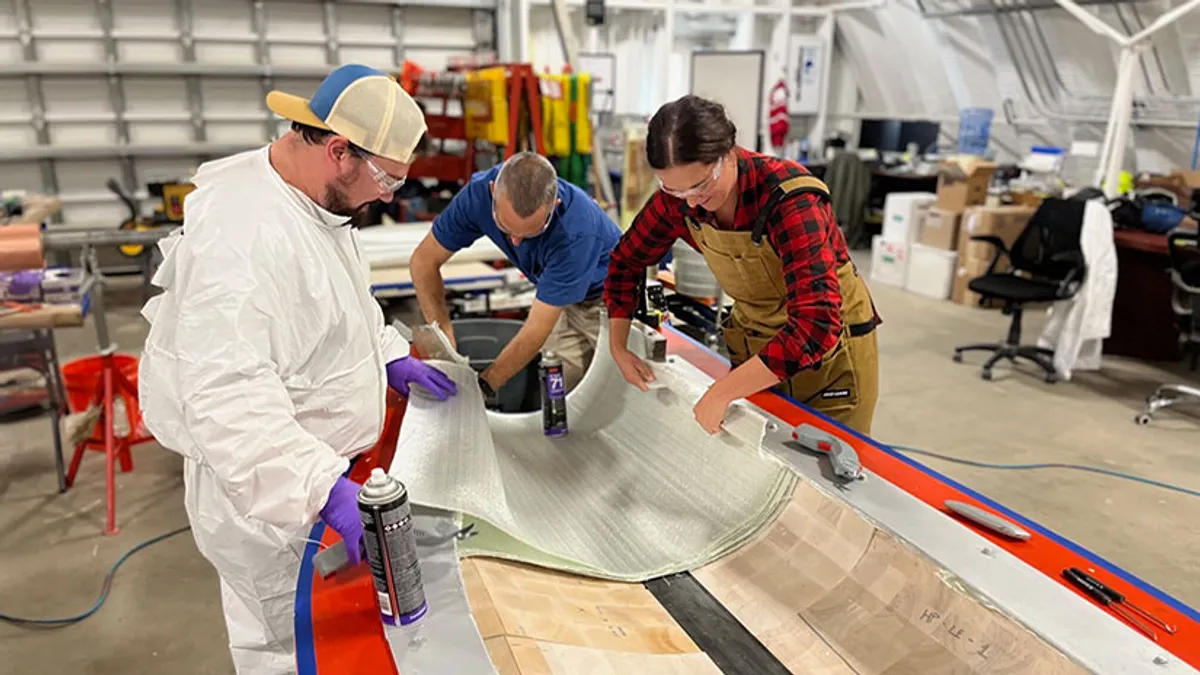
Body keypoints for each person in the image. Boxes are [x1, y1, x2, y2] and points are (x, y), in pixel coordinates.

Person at [138, 64, 457, 675]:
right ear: (339, 151)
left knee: (326, 637)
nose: (389, 195)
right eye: (387, 178)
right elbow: (227, 395)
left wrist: (387, 357)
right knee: (287, 646)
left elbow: (339, 302)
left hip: (307, 477)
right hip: (265, 503)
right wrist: (319, 487)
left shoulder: (311, 202)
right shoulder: (243, 237)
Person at [604, 95, 880, 436]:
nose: (691, 201)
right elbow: (625, 260)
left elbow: (815, 324)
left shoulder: (790, 198)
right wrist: (618, 346)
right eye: (674, 190)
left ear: (727, 152)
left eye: (701, 185)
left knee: (826, 472)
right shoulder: (679, 201)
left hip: (831, 359)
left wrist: (723, 390)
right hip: (761, 350)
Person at [410, 151, 621, 395]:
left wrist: (483, 387)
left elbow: (536, 329)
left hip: (612, 299)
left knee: (619, 388)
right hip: (565, 299)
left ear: (555, 205)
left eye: (532, 233)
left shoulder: (575, 232)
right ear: (492, 192)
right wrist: (443, 342)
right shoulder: (478, 195)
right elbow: (423, 262)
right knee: (560, 389)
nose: (516, 242)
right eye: (505, 228)